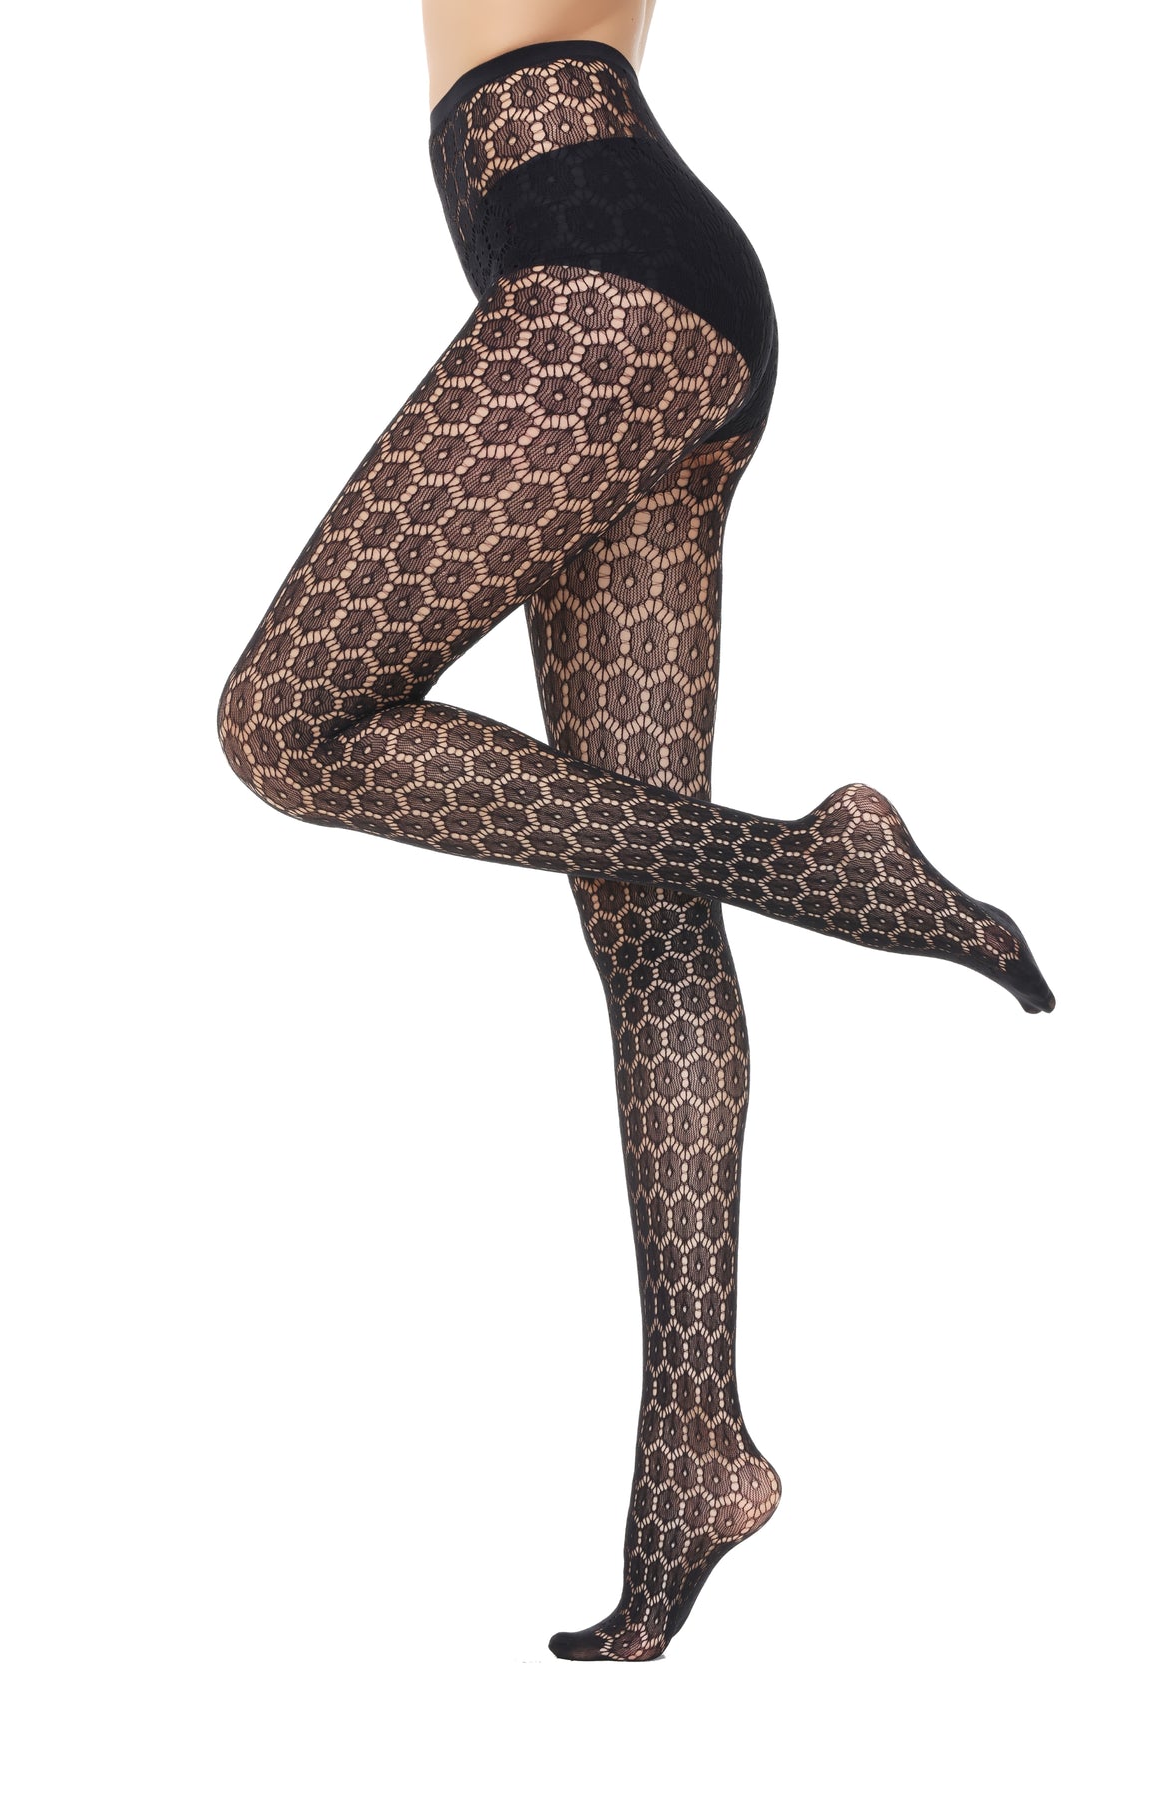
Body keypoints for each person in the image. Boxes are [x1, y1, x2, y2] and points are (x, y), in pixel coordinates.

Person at [217, 0, 1055, 1662]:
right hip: (617, 278)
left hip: (602, 280)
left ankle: (817, 868)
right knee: (645, 914)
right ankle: (693, 1451)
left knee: (285, 726)